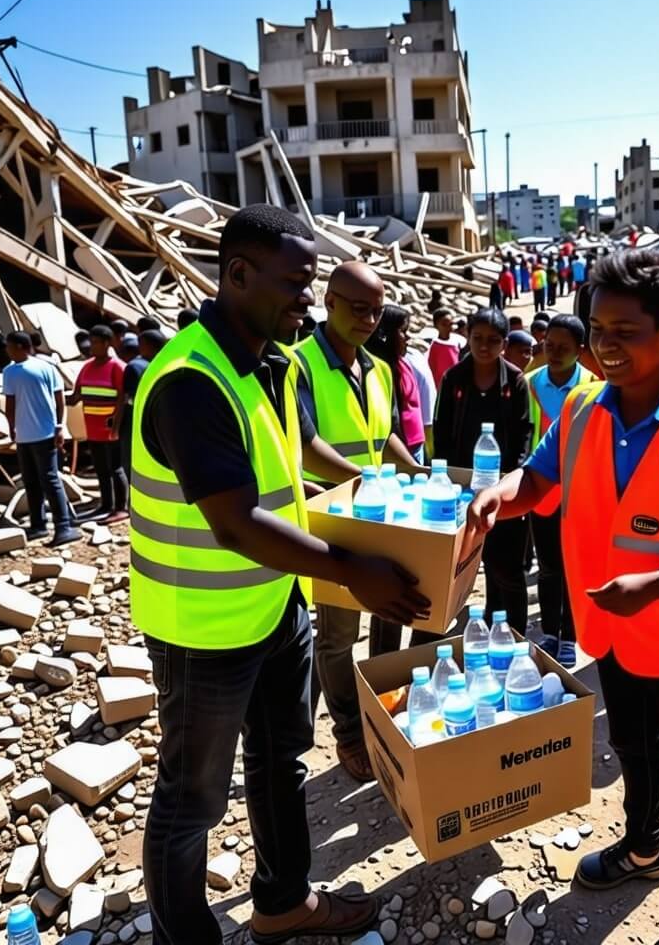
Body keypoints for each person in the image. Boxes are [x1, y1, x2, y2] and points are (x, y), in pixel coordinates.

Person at [132, 204, 427, 945]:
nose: (308, 301)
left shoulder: (278, 362)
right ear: (237, 275)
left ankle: (283, 901)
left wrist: (379, 485)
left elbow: (304, 452)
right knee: (191, 799)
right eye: (297, 286)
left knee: (280, 760)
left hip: (274, 605)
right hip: (200, 629)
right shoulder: (189, 382)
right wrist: (352, 569)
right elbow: (233, 523)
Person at [469, 249, 659, 945]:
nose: (606, 344)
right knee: (631, 747)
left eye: (625, 330)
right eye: (598, 328)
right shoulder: (579, 408)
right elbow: (537, 481)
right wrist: (495, 500)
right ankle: (643, 846)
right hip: (614, 634)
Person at [295, 263, 424, 784]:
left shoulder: (377, 368)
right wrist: (365, 479)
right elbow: (304, 444)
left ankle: (382, 709)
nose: (369, 319)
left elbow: (386, 434)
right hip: (330, 520)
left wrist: (415, 474)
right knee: (338, 634)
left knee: (390, 611)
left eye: (376, 310)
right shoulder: (297, 365)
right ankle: (349, 731)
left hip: (381, 514)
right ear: (328, 302)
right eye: (357, 307)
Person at [434, 307, 533, 632]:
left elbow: (523, 435)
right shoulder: (453, 379)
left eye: (493, 340)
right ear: (469, 338)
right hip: (461, 489)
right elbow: (442, 431)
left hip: (500, 489)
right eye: (478, 338)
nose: (484, 346)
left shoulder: (515, 381)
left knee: (506, 569)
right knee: (461, 565)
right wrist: (447, 480)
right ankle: (485, 620)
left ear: (504, 343)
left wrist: (512, 482)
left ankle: (515, 635)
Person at [524, 314, 594, 667]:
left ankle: (571, 634)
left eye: (564, 348)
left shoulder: (595, 389)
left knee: (575, 567)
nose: (554, 353)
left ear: (580, 351)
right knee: (550, 565)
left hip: (580, 493)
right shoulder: (530, 385)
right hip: (542, 492)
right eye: (549, 346)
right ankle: (551, 630)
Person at [2, 330, 80, 547]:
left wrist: (12, 428)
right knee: (46, 479)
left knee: (38, 480)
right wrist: (59, 426)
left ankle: (57, 525)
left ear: (19, 347)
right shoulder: (47, 367)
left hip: (27, 435)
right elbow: (60, 399)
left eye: (9, 346)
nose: (6, 350)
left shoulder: (10, 372)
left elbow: (10, 404)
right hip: (45, 432)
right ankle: (45, 524)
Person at [68, 324, 129, 524]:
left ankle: (121, 508)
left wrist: (116, 427)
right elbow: (76, 396)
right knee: (101, 469)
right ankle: (105, 504)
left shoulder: (117, 367)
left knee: (115, 468)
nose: (92, 347)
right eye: (91, 342)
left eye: (96, 342)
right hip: (92, 428)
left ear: (107, 343)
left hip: (110, 428)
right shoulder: (87, 367)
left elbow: (122, 398)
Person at [366, 305, 427, 465]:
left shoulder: (403, 363)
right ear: (386, 334)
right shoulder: (380, 369)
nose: (407, 338)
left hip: (416, 446)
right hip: (400, 451)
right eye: (403, 331)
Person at [114, 329, 167, 480]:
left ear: (145, 345)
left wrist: (116, 427)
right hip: (160, 420)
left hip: (135, 421)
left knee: (130, 462)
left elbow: (125, 399)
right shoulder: (166, 362)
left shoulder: (134, 366)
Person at [427, 307, 464, 389]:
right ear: (436, 325)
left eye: (450, 324)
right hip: (439, 388)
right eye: (444, 324)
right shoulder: (433, 346)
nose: (448, 328)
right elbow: (431, 370)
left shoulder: (456, 343)